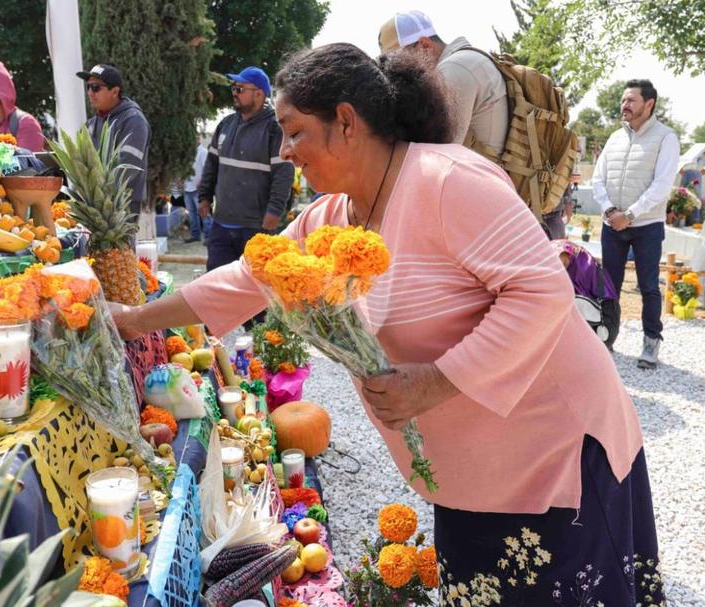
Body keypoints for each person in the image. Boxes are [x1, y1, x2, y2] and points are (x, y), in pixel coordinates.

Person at [111, 44, 662, 605]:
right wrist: (132, 321)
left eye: (295, 131)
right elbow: (247, 277)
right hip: (473, 477)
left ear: (346, 122)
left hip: (556, 462)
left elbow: (542, 291)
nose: (285, 151)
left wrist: (434, 382)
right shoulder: (333, 216)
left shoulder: (447, 180)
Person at [593, 79, 679, 369]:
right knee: (609, 286)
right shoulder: (615, 137)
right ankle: (607, 338)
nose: (624, 105)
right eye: (623, 100)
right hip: (611, 224)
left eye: (631, 100)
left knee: (648, 287)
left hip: (647, 227)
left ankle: (651, 343)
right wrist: (609, 210)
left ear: (649, 104)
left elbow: (662, 184)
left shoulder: (666, 137)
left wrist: (629, 215)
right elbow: (598, 178)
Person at [198, 66, 295, 271]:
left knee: (254, 292)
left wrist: (275, 210)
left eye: (240, 89)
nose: (234, 93)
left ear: (259, 94)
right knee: (216, 283)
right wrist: (204, 196)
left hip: (256, 227)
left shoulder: (274, 130)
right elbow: (212, 165)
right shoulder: (225, 124)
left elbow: (283, 174)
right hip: (221, 225)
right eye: (234, 88)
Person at [379, 10, 508, 157]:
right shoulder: (465, 59)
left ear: (425, 46)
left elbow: (439, 157)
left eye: (399, 60)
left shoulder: (454, 68)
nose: (396, 70)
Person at [77, 64, 151, 230]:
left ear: (115, 91)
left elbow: (128, 168)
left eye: (96, 87)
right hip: (93, 208)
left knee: (119, 252)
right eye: (88, 87)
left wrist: (98, 196)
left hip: (123, 207)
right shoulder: (90, 124)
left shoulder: (133, 121)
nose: (90, 93)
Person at [183, 138, 209, 243]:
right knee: (192, 214)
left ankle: (209, 237)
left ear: (198, 139)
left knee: (204, 213)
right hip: (187, 188)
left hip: (198, 189)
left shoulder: (203, 152)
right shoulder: (189, 153)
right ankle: (195, 235)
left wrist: (201, 182)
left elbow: (207, 169)